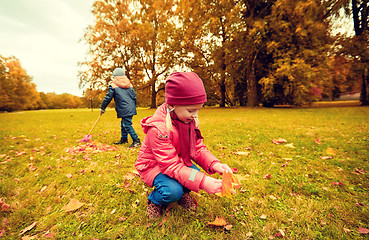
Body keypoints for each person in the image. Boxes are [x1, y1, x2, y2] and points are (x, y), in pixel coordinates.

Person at [135, 72, 233, 219]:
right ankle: (155, 200)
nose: (195, 115)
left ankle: (182, 194)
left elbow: (197, 148)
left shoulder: (187, 120)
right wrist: (203, 181)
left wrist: (215, 164)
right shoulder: (158, 129)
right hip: (155, 166)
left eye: (198, 110)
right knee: (173, 190)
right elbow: (170, 166)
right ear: (172, 104)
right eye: (191, 110)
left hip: (177, 162)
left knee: (193, 173)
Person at [100, 67, 141, 148]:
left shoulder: (113, 85)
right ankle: (124, 139)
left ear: (114, 76)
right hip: (130, 107)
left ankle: (136, 140)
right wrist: (133, 106)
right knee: (124, 124)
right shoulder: (129, 85)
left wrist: (102, 107)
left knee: (127, 125)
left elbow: (108, 97)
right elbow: (134, 97)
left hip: (124, 107)